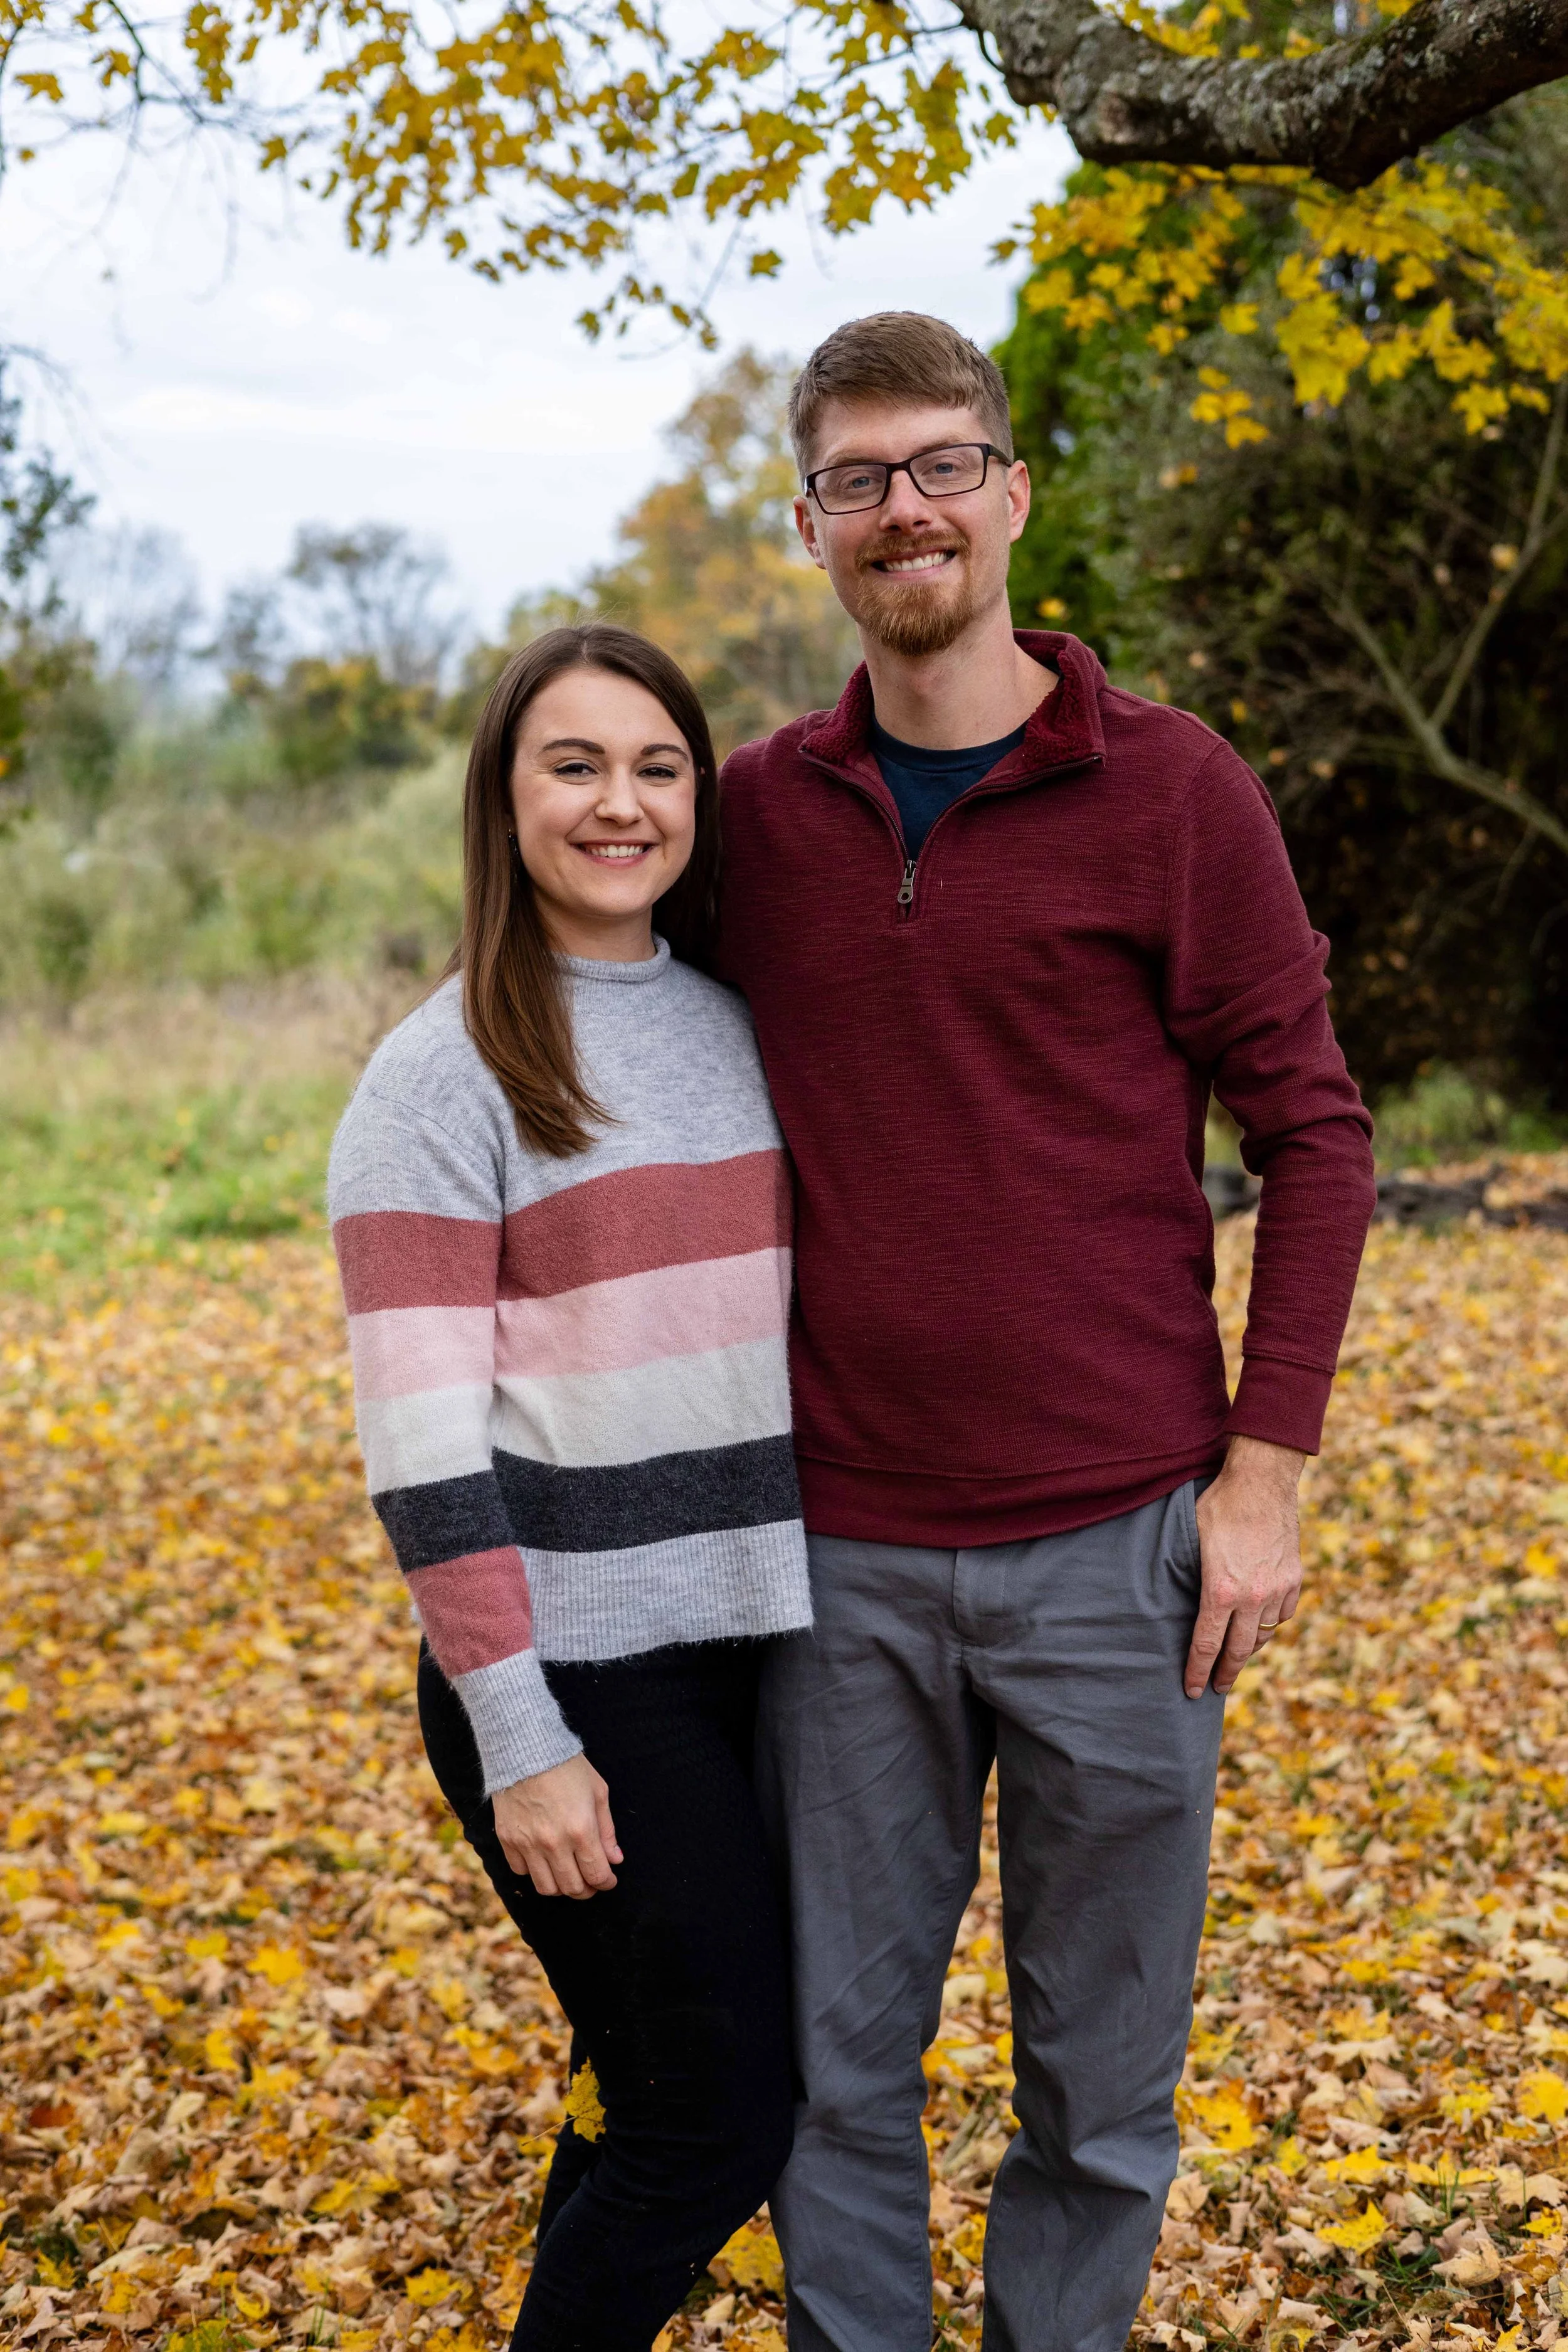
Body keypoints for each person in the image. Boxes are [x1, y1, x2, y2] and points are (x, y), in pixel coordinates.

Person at [716, 313, 1379, 2352]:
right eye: (854, 477)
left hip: (1122, 1557)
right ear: (811, 524)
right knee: (833, 2078)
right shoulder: (750, 821)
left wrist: (1259, 1486)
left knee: (1100, 2091)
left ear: (1009, 493)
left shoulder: (1173, 791)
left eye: (937, 465)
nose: (899, 508)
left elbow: (1316, 1131)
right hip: (834, 1560)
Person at [327, 623, 811, 2350]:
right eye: (574, 763)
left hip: (766, 1646)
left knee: (656, 2082)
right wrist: (521, 1731)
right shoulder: (437, 1071)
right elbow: (420, 1444)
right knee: (717, 2118)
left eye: (658, 765)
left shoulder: (741, 1023)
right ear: (503, 796)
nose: (621, 801)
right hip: (578, 1680)